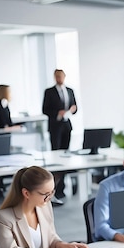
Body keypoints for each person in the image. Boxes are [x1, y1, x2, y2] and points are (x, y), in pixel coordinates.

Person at [42, 69, 77, 204]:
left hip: (67, 126)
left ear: (64, 77)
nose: (59, 78)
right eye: (57, 76)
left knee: (65, 156)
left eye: (61, 76)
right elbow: (45, 109)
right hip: (55, 126)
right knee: (56, 157)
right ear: (54, 77)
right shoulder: (49, 92)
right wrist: (58, 113)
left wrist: (71, 110)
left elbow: (75, 107)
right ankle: (54, 187)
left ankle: (61, 187)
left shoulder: (70, 91)